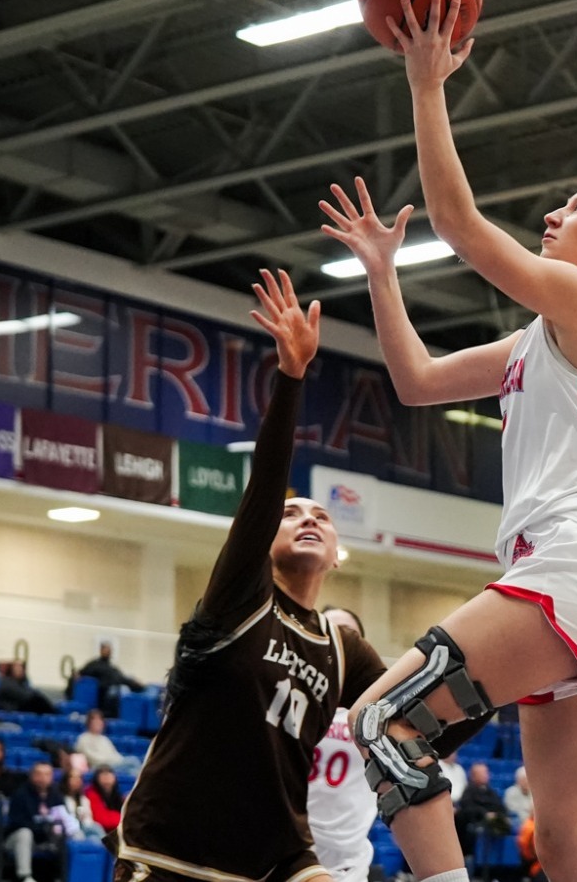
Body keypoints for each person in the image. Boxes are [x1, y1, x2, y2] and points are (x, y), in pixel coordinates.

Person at [330, 0, 577, 882]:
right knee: (567, 851)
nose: (554, 216)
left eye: (576, 210)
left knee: (383, 725)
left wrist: (426, 85)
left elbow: (461, 226)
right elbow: (416, 383)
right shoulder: (541, 337)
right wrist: (380, 274)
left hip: (572, 569)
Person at [110, 270, 385, 882]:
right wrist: (291, 378)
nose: (308, 517)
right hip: (172, 847)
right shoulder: (241, 598)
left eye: (320, 516)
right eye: (292, 514)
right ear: (265, 545)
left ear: (339, 553)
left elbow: (417, 702)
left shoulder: (342, 647)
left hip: (274, 855)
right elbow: (264, 486)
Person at [309, 607, 379, 882]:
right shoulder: (289, 700)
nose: (340, 642)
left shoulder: (376, 713)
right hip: (286, 851)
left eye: (348, 636)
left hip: (347, 863)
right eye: (330, 633)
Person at [5, 761, 79, 882]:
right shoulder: (20, 794)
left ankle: (67, 876)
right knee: (24, 833)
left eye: (47, 774)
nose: (43, 778)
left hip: (48, 840)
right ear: (32, 775)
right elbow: (16, 823)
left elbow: (64, 818)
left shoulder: (56, 795)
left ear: (52, 777)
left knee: (71, 833)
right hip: (19, 841)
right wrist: (43, 827)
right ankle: (25, 876)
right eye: (39, 774)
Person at [457, 762, 511, 856]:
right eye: (483, 773)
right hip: (477, 823)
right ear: (473, 776)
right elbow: (467, 809)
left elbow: (500, 806)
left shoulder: (491, 792)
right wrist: (485, 814)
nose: (486, 775)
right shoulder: (469, 792)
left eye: (486, 772)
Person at [75, 709, 141, 775]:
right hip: (98, 768)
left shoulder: (104, 739)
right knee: (133, 761)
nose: (99, 723)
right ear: (89, 723)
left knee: (132, 771)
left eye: (100, 720)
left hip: (113, 765)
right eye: (95, 720)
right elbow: (92, 758)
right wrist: (111, 762)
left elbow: (116, 755)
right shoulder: (83, 738)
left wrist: (121, 761)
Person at [62, 767, 105, 839]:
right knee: (78, 835)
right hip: (69, 830)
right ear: (66, 780)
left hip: (84, 827)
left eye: (79, 778)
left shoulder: (84, 800)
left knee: (96, 829)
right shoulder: (61, 799)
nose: (77, 780)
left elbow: (88, 821)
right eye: (73, 777)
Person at [85, 766, 125, 836]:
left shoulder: (117, 796)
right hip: (99, 832)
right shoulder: (91, 794)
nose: (107, 781)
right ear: (97, 779)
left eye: (109, 778)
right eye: (104, 778)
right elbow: (101, 819)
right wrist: (123, 819)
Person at [505, 767, 534, 833]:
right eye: (524, 779)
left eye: (528, 779)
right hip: (518, 821)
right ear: (518, 780)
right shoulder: (510, 792)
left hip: (531, 821)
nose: (526, 782)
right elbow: (513, 810)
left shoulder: (533, 792)